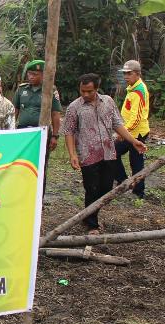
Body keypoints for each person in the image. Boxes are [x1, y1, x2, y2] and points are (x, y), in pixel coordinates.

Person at [62, 73, 148, 234]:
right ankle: (92, 224)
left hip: (108, 152)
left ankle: (89, 215)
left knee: (106, 189)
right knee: (92, 189)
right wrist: (72, 155)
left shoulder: (108, 101)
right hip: (87, 155)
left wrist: (133, 141)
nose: (85, 94)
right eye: (82, 91)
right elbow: (69, 132)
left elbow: (117, 124)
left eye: (89, 91)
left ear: (97, 88)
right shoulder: (74, 107)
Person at [13, 60, 62, 194]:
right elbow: (15, 111)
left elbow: (56, 114)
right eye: (29, 74)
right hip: (23, 132)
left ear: (43, 75)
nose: (31, 77)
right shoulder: (22, 89)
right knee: (21, 164)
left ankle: (38, 198)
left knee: (40, 165)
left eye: (34, 74)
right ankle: (22, 193)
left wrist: (55, 136)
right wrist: (12, 130)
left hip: (42, 133)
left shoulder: (50, 90)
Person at [113, 59, 150, 198]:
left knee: (135, 162)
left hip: (136, 133)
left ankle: (137, 191)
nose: (126, 76)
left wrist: (122, 132)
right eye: (125, 74)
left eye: (129, 73)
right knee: (119, 156)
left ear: (137, 74)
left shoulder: (139, 91)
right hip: (130, 131)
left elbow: (136, 118)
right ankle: (126, 183)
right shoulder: (133, 88)